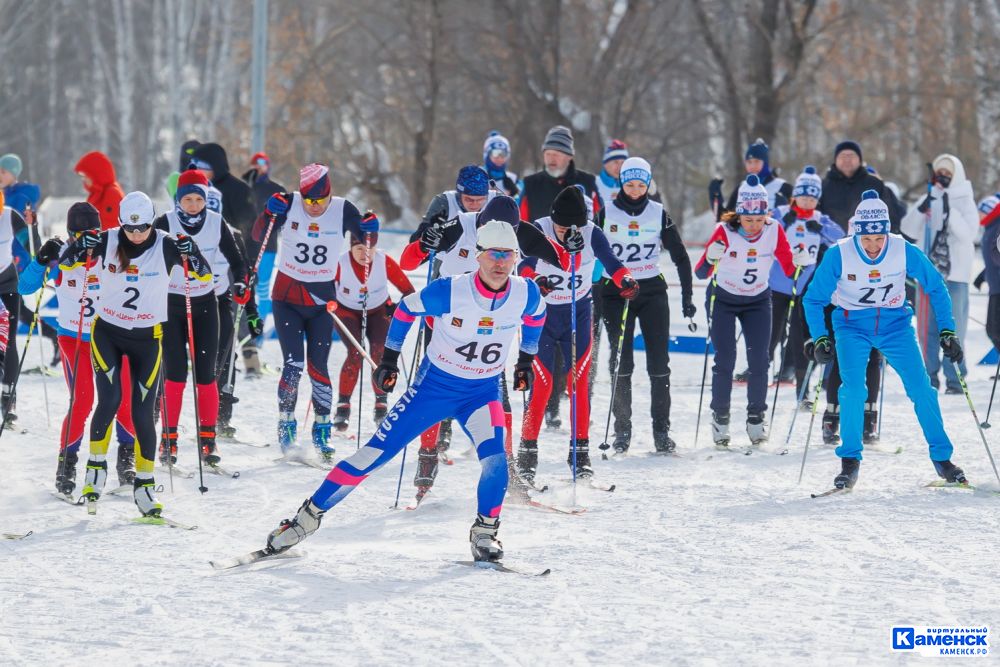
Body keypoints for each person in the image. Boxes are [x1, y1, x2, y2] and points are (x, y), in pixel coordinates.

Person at [264, 220, 546, 562]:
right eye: (492, 254)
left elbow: (537, 316)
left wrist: (525, 361)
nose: (500, 263)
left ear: (516, 257)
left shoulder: (525, 292)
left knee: (495, 460)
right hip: (434, 389)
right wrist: (389, 360)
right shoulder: (450, 290)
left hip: (481, 393)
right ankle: (303, 520)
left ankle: (485, 533)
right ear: (478, 255)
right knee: (371, 457)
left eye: (507, 255)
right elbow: (406, 309)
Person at [400, 194, 569, 500]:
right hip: (445, 325)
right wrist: (424, 244)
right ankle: (427, 457)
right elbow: (407, 261)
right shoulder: (459, 227)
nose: (503, 245)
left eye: (510, 238)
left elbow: (562, 263)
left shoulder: (524, 233)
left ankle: (507, 471)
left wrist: (545, 275)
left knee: (498, 403)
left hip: (490, 329)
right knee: (434, 400)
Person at [803, 190, 968, 489]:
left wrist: (947, 330)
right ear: (856, 233)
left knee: (922, 388)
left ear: (887, 232)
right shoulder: (839, 253)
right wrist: (820, 338)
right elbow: (813, 299)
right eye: (866, 239)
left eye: (879, 239)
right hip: (852, 325)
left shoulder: (902, 249)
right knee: (853, 389)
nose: (873, 246)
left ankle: (943, 459)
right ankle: (850, 461)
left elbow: (936, 286)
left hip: (895, 325)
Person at [62, 192, 211, 517]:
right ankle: (95, 471)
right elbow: (67, 263)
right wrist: (80, 245)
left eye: (142, 228)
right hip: (108, 334)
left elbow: (204, 276)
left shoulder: (168, 244)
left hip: (147, 338)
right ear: (121, 226)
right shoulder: (107, 240)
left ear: (151, 222)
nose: (136, 235)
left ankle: (144, 486)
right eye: (130, 230)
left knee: (143, 414)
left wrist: (194, 253)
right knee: (110, 399)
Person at [252, 163, 377, 459]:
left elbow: (366, 239)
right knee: (293, 364)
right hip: (287, 299)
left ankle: (322, 430)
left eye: (320, 200)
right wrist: (268, 212)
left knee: (318, 367)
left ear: (329, 194)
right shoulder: (290, 203)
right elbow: (259, 234)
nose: (314, 206)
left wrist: (372, 226)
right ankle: (286, 425)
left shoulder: (343, 209)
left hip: (322, 302)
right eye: (309, 200)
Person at [517, 185, 637, 479]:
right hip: (542, 317)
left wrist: (627, 280)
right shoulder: (539, 229)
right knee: (542, 387)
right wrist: (538, 281)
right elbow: (523, 267)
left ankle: (580, 455)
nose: (566, 232)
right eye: (561, 227)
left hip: (578, 315)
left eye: (573, 227)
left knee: (579, 384)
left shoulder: (592, 232)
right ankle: (527, 456)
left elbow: (611, 261)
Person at [21, 203, 139, 495]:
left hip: (114, 338)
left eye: (94, 233)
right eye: (80, 235)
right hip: (75, 339)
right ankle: (67, 465)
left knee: (124, 402)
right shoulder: (62, 251)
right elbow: (25, 287)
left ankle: (127, 462)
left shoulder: (113, 246)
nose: (88, 240)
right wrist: (39, 261)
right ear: (70, 233)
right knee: (83, 401)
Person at [694, 175, 800, 448]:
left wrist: (799, 262)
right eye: (748, 219)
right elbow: (701, 271)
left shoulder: (774, 229)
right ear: (738, 214)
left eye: (759, 219)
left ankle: (756, 418)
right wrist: (710, 257)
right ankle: (720, 417)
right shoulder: (723, 230)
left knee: (759, 361)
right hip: (724, 299)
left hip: (757, 300)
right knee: (725, 359)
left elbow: (789, 267)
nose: (754, 226)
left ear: (767, 213)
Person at [597, 157, 694, 453]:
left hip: (651, 290)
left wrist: (688, 298)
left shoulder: (658, 213)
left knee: (659, 364)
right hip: (615, 291)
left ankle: (661, 432)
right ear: (621, 184)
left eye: (642, 184)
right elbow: (591, 251)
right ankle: (622, 431)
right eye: (630, 184)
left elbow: (679, 255)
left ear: (649, 184)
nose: (636, 190)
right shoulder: (607, 212)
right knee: (621, 361)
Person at [153, 169, 248, 467]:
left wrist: (242, 282)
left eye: (198, 199)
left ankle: (208, 440)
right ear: (178, 200)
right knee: (175, 375)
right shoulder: (164, 223)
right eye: (187, 199)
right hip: (171, 305)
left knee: (206, 376)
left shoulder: (217, 223)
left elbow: (237, 261)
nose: (193, 205)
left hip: (205, 303)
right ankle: (168, 441)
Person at [519, 126, 601, 429]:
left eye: (557, 154)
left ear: (569, 156)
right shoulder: (532, 183)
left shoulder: (588, 183)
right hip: (544, 271)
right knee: (545, 350)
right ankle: (548, 407)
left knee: (581, 348)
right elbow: (521, 222)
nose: (551, 159)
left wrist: (599, 270)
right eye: (547, 154)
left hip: (583, 276)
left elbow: (599, 224)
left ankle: (580, 407)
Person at [901, 154, 977, 394]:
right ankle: (929, 376)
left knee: (953, 328)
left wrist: (948, 211)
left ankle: (955, 379)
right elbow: (908, 229)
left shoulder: (965, 201)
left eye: (948, 173)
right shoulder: (930, 196)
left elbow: (968, 235)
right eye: (939, 172)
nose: (943, 177)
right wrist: (926, 204)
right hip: (930, 275)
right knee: (927, 329)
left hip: (955, 276)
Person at [767, 166, 843, 400]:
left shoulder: (821, 219)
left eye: (812, 198)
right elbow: (761, 229)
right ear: (795, 195)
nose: (808, 201)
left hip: (804, 289)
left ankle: (803, 391)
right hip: (778, 285)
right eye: (804, 196)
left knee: (802, 338)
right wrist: (781, 222)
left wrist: (821, 230)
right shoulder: (780, 213)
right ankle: (759, 376)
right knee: (771, 334)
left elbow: (841, 239)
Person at [191, 142, 262, 377]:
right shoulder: (196, 189)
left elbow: (251, 228)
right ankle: (208, 359)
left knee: (236, 311)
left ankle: (251, 358)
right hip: (204, 262)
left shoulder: (236, 189)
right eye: (194, 165)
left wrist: (249, 263)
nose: (197, 170)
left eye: (203, 166)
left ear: (217, 166)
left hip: (232, 261)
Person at [331, 232, 414, 433]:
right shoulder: (341, 262)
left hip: (377, 311)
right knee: (356, 352)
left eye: (369, 249)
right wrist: (328, 301)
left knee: (379, 352)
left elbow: (409, 291)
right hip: (346, 311)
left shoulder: (384, 261)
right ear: (351, 248)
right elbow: (325, 288)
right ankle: (343, 406)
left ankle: (381, 405)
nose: (364, 254)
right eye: (359, 249)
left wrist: (396, 308)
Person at [0, 190, 39, 425]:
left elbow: (34, 249)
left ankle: (8, 395)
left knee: (10, 339)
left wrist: (32, 227)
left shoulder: (9, 216)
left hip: (7, 283)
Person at [241, 151, 285, 341]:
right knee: (245, 287)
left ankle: (258, 337)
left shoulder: (276, 189)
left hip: (268, 246)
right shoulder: (243, 187)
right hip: (245, 244)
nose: (258, 167)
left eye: (262, 163)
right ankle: (244, 332)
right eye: (255, 164)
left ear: (268, 166)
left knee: (263, 289)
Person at [712, 139, 792, 221]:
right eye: (749, 162)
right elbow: (726, 219)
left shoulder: (782, 186)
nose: (752, 166)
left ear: (765, 163)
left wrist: (783, 209)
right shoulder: (742, 187)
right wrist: (716, 198)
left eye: (757, 161)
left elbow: (798, 215)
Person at [74, 151, 125, 231]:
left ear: (95, 174)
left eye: (85, 175)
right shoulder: (97, 193)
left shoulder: (111, 194)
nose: (84, 180)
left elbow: (108, 230)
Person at [977, 193, 1000, 354]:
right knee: (993, 330)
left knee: (994, 330)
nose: (978, 215)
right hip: (994, 286)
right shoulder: (990, 226)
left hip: (999, 287)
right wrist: (982, 276)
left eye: (981, 211)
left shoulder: (997, 224)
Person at [482, 131, 519, 197]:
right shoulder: (477, 177)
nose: (499, 158)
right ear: (487, 155)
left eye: (503, 154)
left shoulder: (513, 180)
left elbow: (523, 204)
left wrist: (515, 195)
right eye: (495, 153)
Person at [595, 139, 629, 206]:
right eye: (615, 162)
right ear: (605, 164)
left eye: (622, 162)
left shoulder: (631, 186)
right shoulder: (594, 183)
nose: (620, 167)